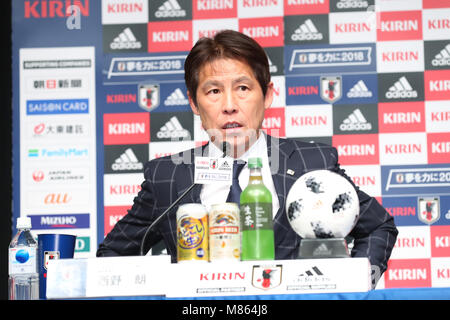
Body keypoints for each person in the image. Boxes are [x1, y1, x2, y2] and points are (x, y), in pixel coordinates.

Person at [97, 30, 398, 278]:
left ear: (267, 95)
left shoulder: (312, 164)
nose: (229, 105)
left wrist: (353, 287)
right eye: (213, 91)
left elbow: (378, 226)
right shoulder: (169, 176)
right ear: (193, 102)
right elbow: (111, 255)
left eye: (242, 88)